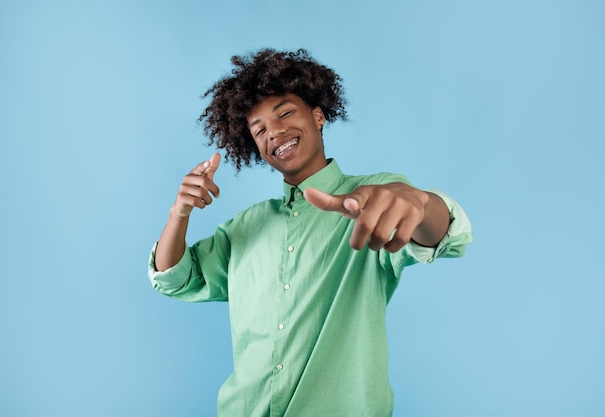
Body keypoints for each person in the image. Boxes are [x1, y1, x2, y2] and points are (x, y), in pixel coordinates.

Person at [148, 48, 473, 417]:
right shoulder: (244, 227)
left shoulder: (374, 196)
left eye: (285, 113)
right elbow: (175, 278)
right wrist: (179, 213)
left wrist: (421, 203)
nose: (276, 132)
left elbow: (439, 232)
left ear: (318, 115)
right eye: (260, 130)